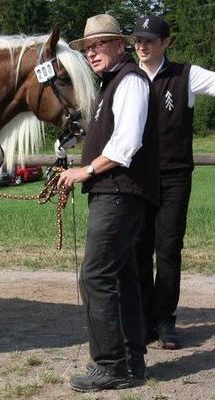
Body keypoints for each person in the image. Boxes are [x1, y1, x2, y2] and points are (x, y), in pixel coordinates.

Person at [58, 14, 160, 392]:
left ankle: (109, 365)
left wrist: (84, 171)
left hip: (119, 192)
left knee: (95, 275)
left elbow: (126, 145)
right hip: (117, 193)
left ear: (121, 45)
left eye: (101, 44)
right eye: (88, 47)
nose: (93, 52)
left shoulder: (130, 81)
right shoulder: (111, 86)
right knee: (122, 277)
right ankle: (132, 362)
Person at [131, 15, 215, 349]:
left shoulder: (186, 75)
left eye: (150, 40)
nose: (142, 45)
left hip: (174, 177)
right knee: (138, 248)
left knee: (168, 250)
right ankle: (144, 317)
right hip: (136, 178)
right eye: (138, 39)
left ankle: (164, 319)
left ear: (167, 42)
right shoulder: (127, 77)